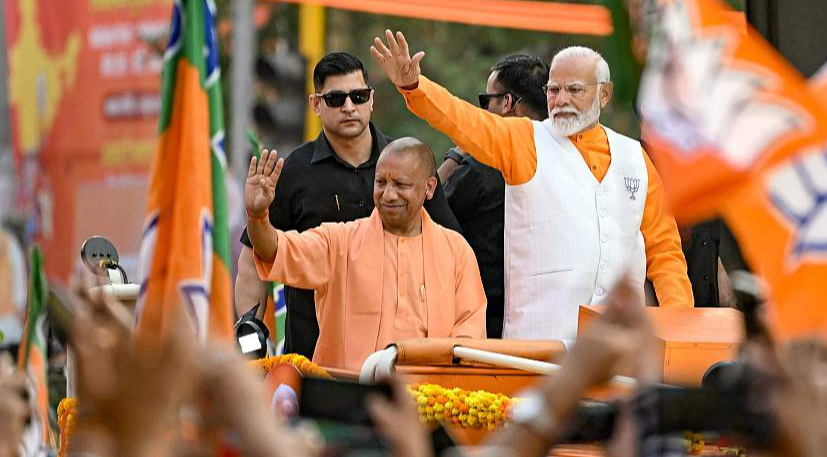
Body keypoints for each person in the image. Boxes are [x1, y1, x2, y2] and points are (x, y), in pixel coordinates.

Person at [371, 30, 694, 343]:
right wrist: (414, 86)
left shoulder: (635, 157)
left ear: (604, 94)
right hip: (538, 347)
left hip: (620, 349)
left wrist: (678, 328)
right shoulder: (526, 139)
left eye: (574, 90)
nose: (561, 100)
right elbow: (465, 119)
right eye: (554, 90)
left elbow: (665, 251)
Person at [235, 52, 461, 360]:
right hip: (312, 363)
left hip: (402, 364)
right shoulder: (291, 172)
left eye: (358, 96)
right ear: (316, 104)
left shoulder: (411, 165)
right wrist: (250, 344)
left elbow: (451, 255)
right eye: (336, 99)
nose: (349, 107)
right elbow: (254, 261)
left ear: (371, 100)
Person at [245, 140, 486, 371]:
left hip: (429, 401)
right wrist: (258, 216)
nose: (389, 195)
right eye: (381, 183)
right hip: (346, 399)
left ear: (429, 188)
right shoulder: (340, 241)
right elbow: (274, 250)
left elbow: (469, 342)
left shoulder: (456, 251)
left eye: (401, 185)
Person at [437, 53, 549, 339]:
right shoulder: (566, 158)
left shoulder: (478, 166)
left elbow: (431, 220)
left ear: (507, 103)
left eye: (486, 101)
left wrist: (455, 158)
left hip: (485, 323)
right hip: (549, 322)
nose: (482, 111)